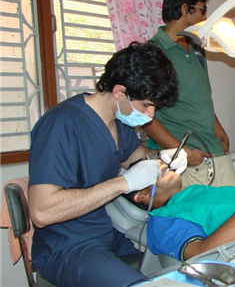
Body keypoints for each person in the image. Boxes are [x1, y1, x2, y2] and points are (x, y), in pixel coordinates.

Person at [28, 42, 188, 287]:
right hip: (66, 247)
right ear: (119, 92)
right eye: (146, 104)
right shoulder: (61, 125)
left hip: (105, 234)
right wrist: (124, 183)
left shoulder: (118, 121)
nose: (151, 115)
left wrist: (163, 157)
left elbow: (135, 155)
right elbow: (42, 212)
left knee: (177, 262)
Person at [144, 0, 235, 188]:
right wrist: (183, 152)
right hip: (187, 159)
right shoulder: (153, 53)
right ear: (185, 9)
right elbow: (143, 116)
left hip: (213, 149)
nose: (205, 16)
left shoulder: (197, 48)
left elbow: (199, 97)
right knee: (202, 218)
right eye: (202, 9)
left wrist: (219, 130)